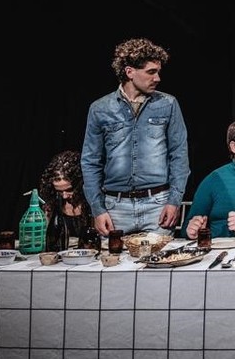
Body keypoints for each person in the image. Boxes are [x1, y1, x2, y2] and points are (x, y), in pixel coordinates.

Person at [81, 37, 189, 237]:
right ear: (129, 72)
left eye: (158, 72)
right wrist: (98, 209)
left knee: (160, 258)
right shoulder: (100, 108)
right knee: (113, 258)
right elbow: (90, 161)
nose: (157, 78)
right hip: (115, 208)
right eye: (151, 72)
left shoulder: (168, 104)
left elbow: (179, 156)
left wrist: (174, 201)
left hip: (157, 205)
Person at [37, 150, 93, 246]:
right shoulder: (51, 205)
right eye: (59, 191)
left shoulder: (93, 202)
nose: (64, 196)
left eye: (69, 190)